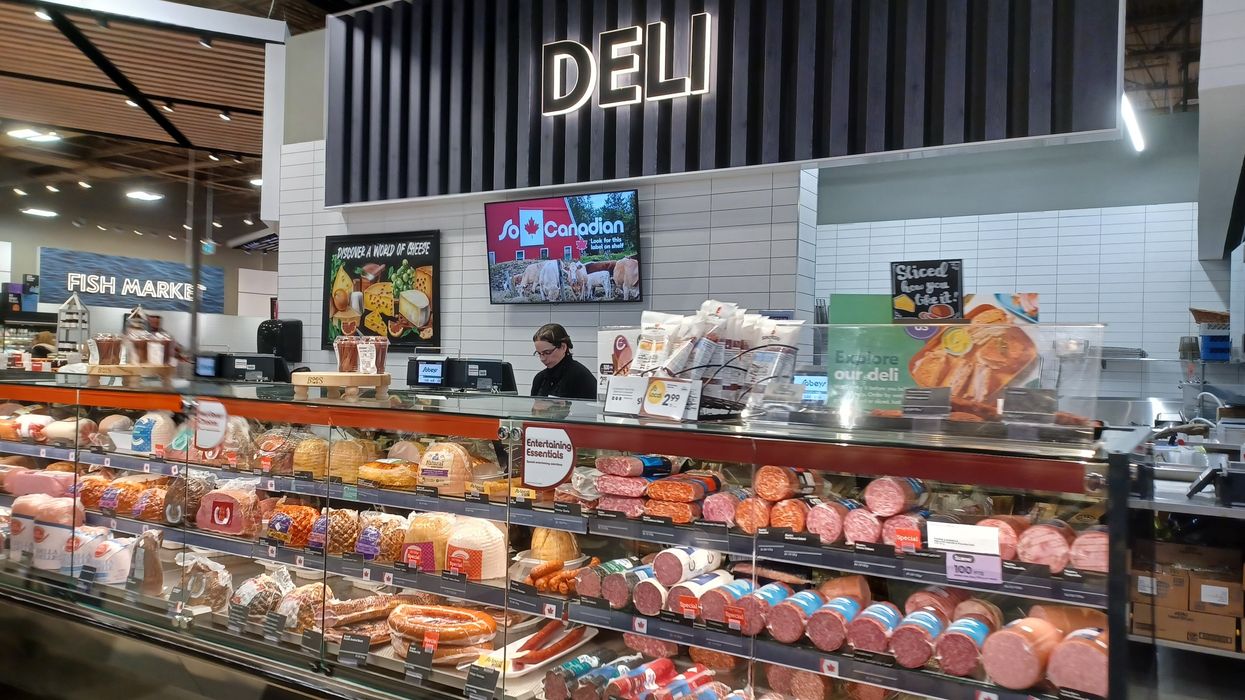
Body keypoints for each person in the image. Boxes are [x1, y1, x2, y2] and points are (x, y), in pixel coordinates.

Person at [530, 323, 597, 399]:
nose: (542, 359)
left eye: (547, 352)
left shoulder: (580, 376)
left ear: (563, 347)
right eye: (539, 353)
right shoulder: (539, 379)